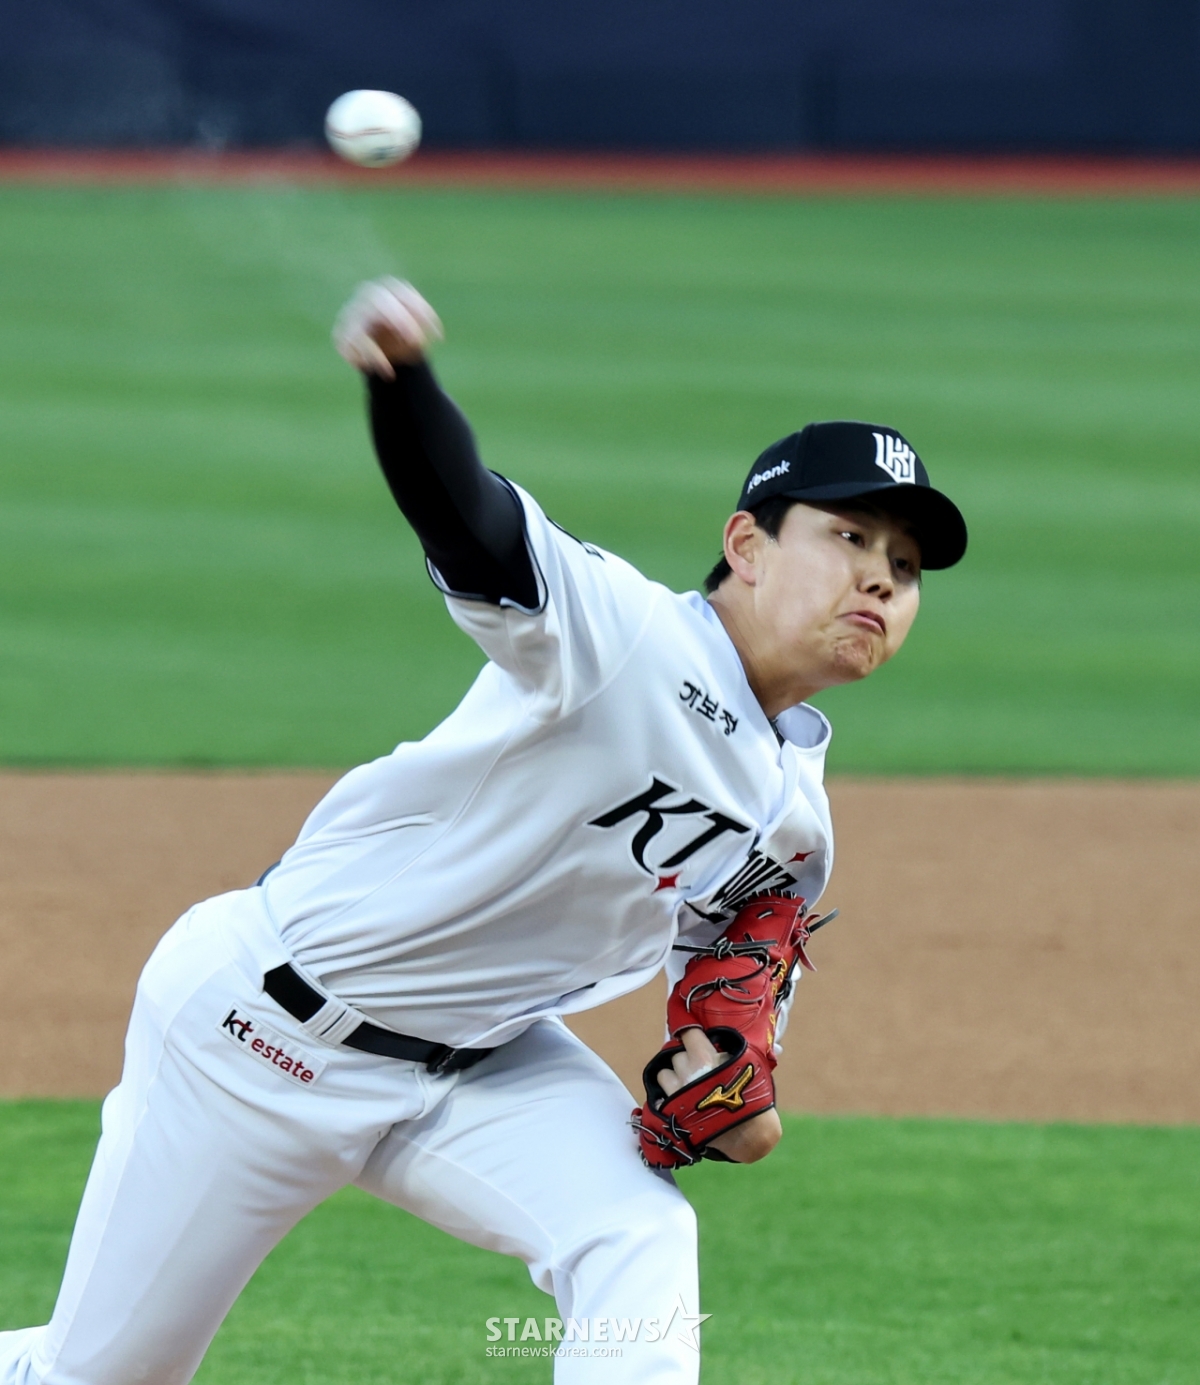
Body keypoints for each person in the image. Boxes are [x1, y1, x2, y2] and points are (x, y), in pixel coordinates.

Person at [0, 279, 966, 1385]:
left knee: (637, 1235)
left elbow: (732, 1052)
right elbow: (472, 521)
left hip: (487, 1066)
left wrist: (737, 1093)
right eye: (849, 536)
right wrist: (403, 381)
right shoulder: (624, 636)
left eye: (904, 566)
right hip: (263, 1033)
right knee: (100, 1376)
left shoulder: (794, 825)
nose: (880, 577)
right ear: (746, 544)